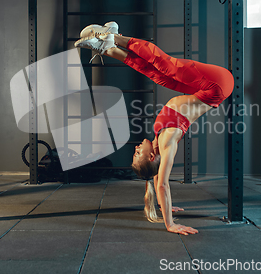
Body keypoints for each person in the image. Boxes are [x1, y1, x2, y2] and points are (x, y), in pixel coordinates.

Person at [75, 22, 234, 235]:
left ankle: (110, 48)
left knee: (156, 75)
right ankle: (115, 36)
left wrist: (162, 205)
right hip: (218, 85)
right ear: (150, 157)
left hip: (202, 91)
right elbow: (163, 185)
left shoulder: (158, 149)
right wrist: (170, 223)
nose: (136, 149)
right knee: (168, 65)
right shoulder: (167, 144)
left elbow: (156, 179)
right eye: (138, 153)